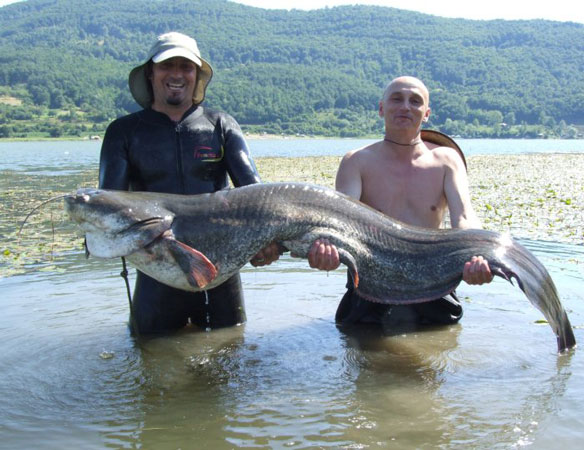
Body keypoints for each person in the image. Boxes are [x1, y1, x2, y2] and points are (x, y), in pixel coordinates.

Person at [99, 32, 278, 334]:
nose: (177, 74)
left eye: (186, 67)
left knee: (230, 351)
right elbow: (108, 204)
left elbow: (255, 195)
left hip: (220, 269)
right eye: (167, 66)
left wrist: (268, 243)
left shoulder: (221, 124)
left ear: (197, 75)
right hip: (156, 271)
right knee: (151, 351)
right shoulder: (123, 132)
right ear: (151, 73)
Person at [305, 76, 493, 327]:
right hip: (370, 288)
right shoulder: (357, 161)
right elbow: (338, 224)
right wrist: (326, 250)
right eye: (397, 99)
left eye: (415, 101)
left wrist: (478, 255)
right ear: (381, 108)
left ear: (426, 114)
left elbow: (464, 217)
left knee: (436, 357)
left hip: (432, 285)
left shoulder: (446, 160)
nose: (405, 106)